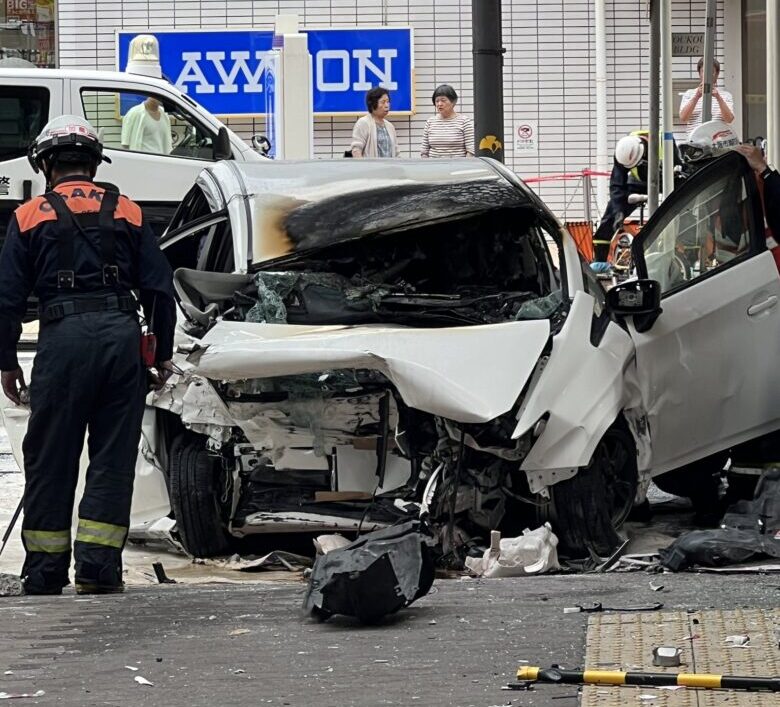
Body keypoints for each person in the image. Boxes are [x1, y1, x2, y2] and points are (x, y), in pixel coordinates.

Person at [0, 115, 176, 595]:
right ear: (94, 165)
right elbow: (160, 291)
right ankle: (99, 572)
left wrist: (7, 361)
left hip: (63, 342)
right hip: (122, 342)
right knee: (112, 460)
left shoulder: (28, 215)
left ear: (45, 164)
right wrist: (161, 353)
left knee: (51, 457)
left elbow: (7, 299)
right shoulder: (131, 213)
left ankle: (44, 573)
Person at [592, 131, 679, 263]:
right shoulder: (623, 152)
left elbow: (680, 168)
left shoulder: (665, 142)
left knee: (680, 208)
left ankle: (679, 251)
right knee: (611, 214)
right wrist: (618, 211)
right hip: (639, 182)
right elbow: (617, 186)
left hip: (667, 181)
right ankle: (599, 261)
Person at [679, 58, 735, 137]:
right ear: (699, 73)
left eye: (711, 72)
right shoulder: (689, 94)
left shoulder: (726, 95)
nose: (707, 75)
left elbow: (729, 119)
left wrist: (718, 97)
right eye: (704, 71)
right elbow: (683, 118)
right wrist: (696, 96)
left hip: (718, 143)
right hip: (694, 142)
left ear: (717, 74)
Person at [420, 84, 474, 158]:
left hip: (458, 167)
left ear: (453, 102)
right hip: (434, 167)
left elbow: (471, 151)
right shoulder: (430, 122)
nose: (439, 104)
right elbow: (424, 152)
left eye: (443, 100)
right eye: (437, 101)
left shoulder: (464, 121)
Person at [351, 87, 400, 158]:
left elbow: (396, 153)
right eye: (383, 102)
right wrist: (362, 167)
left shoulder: (390, 126)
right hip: (370, 168)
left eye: (388, 102)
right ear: (373, 103)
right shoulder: (363, 123)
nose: (387, 105)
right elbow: (356, 150)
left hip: (389, 168)